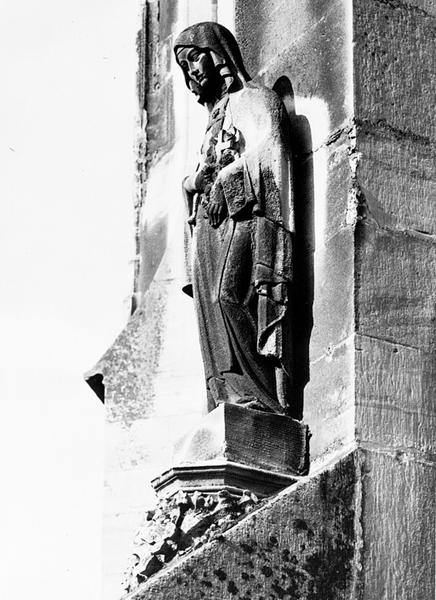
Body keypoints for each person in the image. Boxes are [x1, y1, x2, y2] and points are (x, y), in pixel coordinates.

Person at [174, 22, 294, 415]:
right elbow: (199, 177)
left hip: (244, 218)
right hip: (210, 227)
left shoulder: (256, 100)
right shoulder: (213, 121)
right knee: (210, 312)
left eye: (194, 58)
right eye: (183, 66)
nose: (191, 71)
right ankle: (226, 397)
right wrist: (194, 181)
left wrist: (227, 177)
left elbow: (271, 153)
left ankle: (259, 398)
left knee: (228, 297)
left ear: (218, 55)